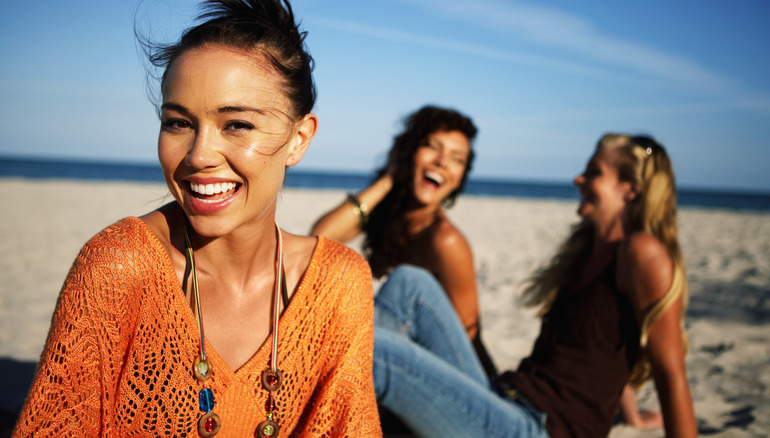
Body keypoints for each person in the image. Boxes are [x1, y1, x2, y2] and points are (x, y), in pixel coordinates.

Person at [13, 1, 380, 436]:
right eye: (178, 123)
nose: (199, 156)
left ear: (298, 139)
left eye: (237, 124)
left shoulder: (336, 285)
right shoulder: (119, 268)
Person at [372, 134, 697, 437]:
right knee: (409, 282)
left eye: (593, 172)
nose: (578, 179)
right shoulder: (587, 252)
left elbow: (670, 372)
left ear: (630, 189)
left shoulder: (643, 253)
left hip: (538, 429)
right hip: (505, 399)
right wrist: (633, 417)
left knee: (376, 353)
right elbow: (607, 355)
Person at [310, 105, 497, 376]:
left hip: (446, 382)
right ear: (409, 152)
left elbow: (467, 342)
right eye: (432, 147)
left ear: (460, 179)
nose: (442, 161)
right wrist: (389, 178)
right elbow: (320, 237)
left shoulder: (446, 241)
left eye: (457, 159)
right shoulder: (391, 219)